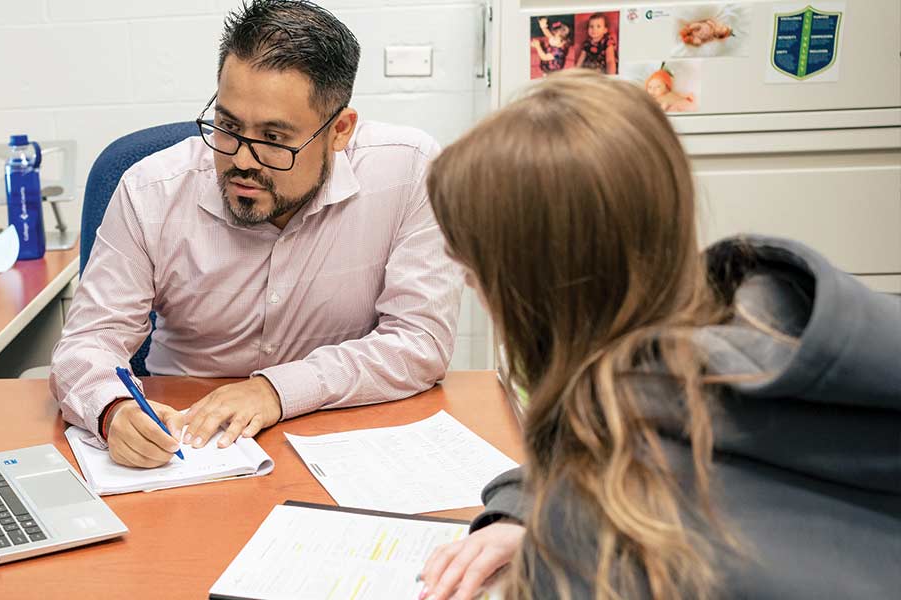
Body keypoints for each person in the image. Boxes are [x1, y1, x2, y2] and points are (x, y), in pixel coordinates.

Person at [415, 71, 901, 599]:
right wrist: (528, 504)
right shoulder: (773, 316)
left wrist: (556, 520)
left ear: (530, 293)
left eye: (471, 274)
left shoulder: (608, 544)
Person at [53, 0, 460, 468]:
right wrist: (112, 410)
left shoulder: (409, 171)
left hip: (335, 435)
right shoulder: (152, 190)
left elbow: (419, 341)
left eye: (273, 137)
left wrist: (275, 390)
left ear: (340, 131)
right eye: (227, 126)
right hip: (187, 440)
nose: (242, 159)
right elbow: (86, 343)